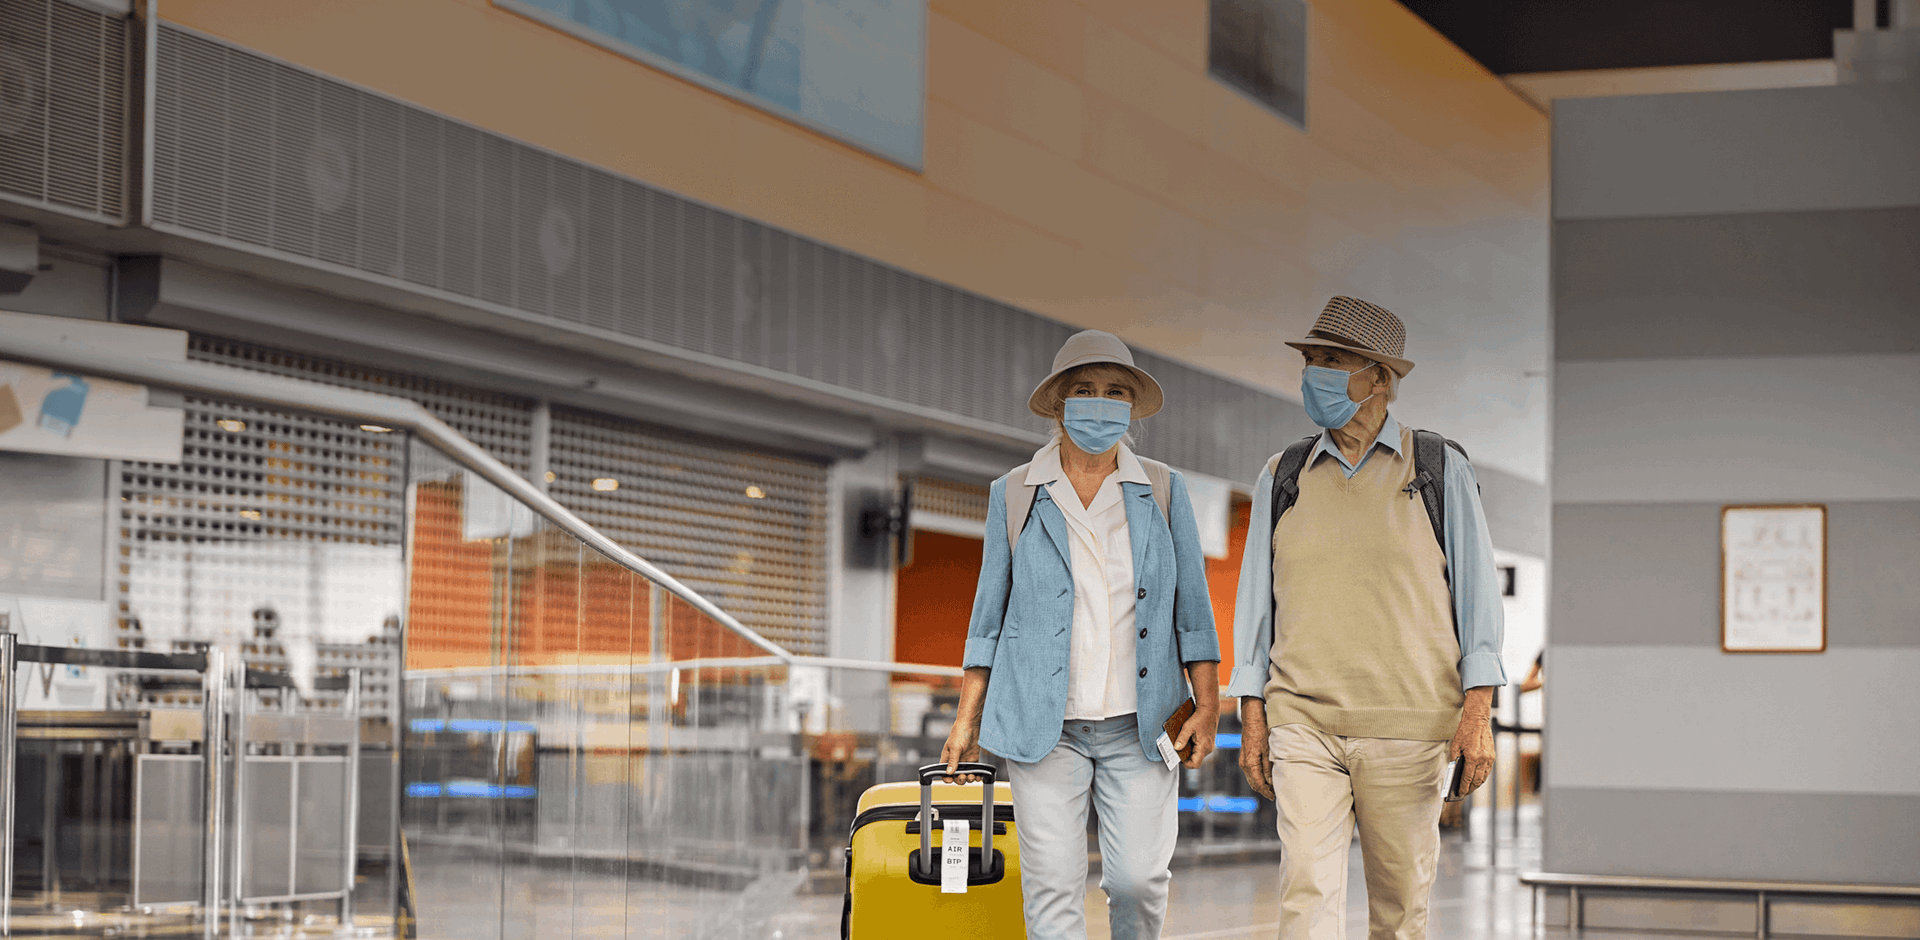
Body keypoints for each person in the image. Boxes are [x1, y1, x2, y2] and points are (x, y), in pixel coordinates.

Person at [1226, 297, 1506, 940]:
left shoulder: (1436, 468)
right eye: (1311, 360)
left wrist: (1477, 713)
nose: (1314, 375)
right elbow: (1255, 600)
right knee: (1305, 898)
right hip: (1304, 722)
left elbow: (1478, 598)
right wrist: (1253, 712)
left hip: (1408, 726)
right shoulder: (1284, 474)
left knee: (1400, 910)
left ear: (1379, 378)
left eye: (1333, 361)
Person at [942, 329, 1221, 940]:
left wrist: (1209, 706)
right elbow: (987, 616)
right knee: (1050, 889)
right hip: (1045, 728)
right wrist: (967, 720)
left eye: (1115, 391)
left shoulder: (1164, 489)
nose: (1100, 403)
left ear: (1131, 407)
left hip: (1143, 725)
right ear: (1059, 403)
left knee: (1139, 882)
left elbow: (1193, 611)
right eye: (1085, 390)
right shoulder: (1015, 493)